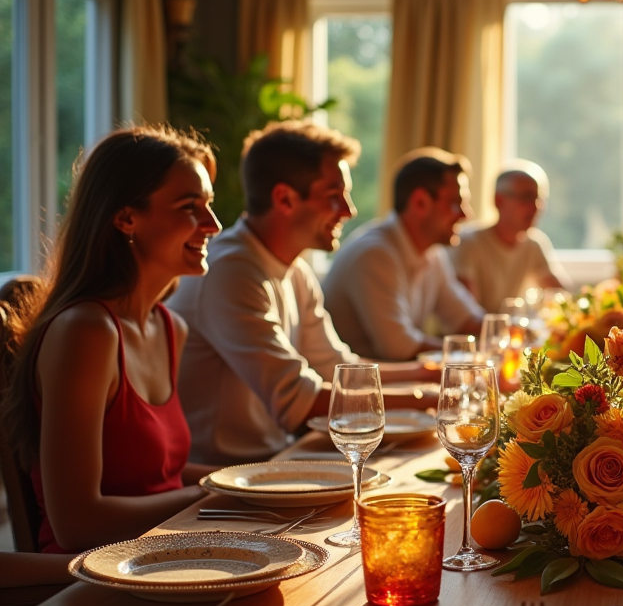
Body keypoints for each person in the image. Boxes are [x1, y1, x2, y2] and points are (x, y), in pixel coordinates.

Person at [2, 127, 219, 552]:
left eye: (208, 205)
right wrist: (210, 497)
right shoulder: (86, 332)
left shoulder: (169, 328)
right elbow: (78, 526)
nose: (213, 225)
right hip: (88, 588)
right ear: (125, 218)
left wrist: (255, 482)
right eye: (189, 207)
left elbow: (159, 477)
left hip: (164, 558)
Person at [168, 121, 434, 466]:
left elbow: (339, 370)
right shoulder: (232, 271)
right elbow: (299, 400)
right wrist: (429, 397)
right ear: (285, 199)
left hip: (280, 459)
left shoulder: (294, 270)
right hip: (225, 482)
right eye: (333, 195)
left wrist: (429, 374)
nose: (349, 210)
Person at [324, 148, 486, 360]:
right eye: (456, 203)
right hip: (361, 388)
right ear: (420, 202)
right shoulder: (374, 255)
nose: (466, 214)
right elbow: (400, 348)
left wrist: (510, 333)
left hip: (392, 382)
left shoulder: (432, 254)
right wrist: (476, 355)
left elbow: (466, 318)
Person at [451, 160, 571, 313]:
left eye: (538, 198)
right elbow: (467, 316)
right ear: (498, 200)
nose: (536, 207)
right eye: (526, 197)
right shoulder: (468, 243)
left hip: (507, 333)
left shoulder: (534, 244)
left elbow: (563, 297)